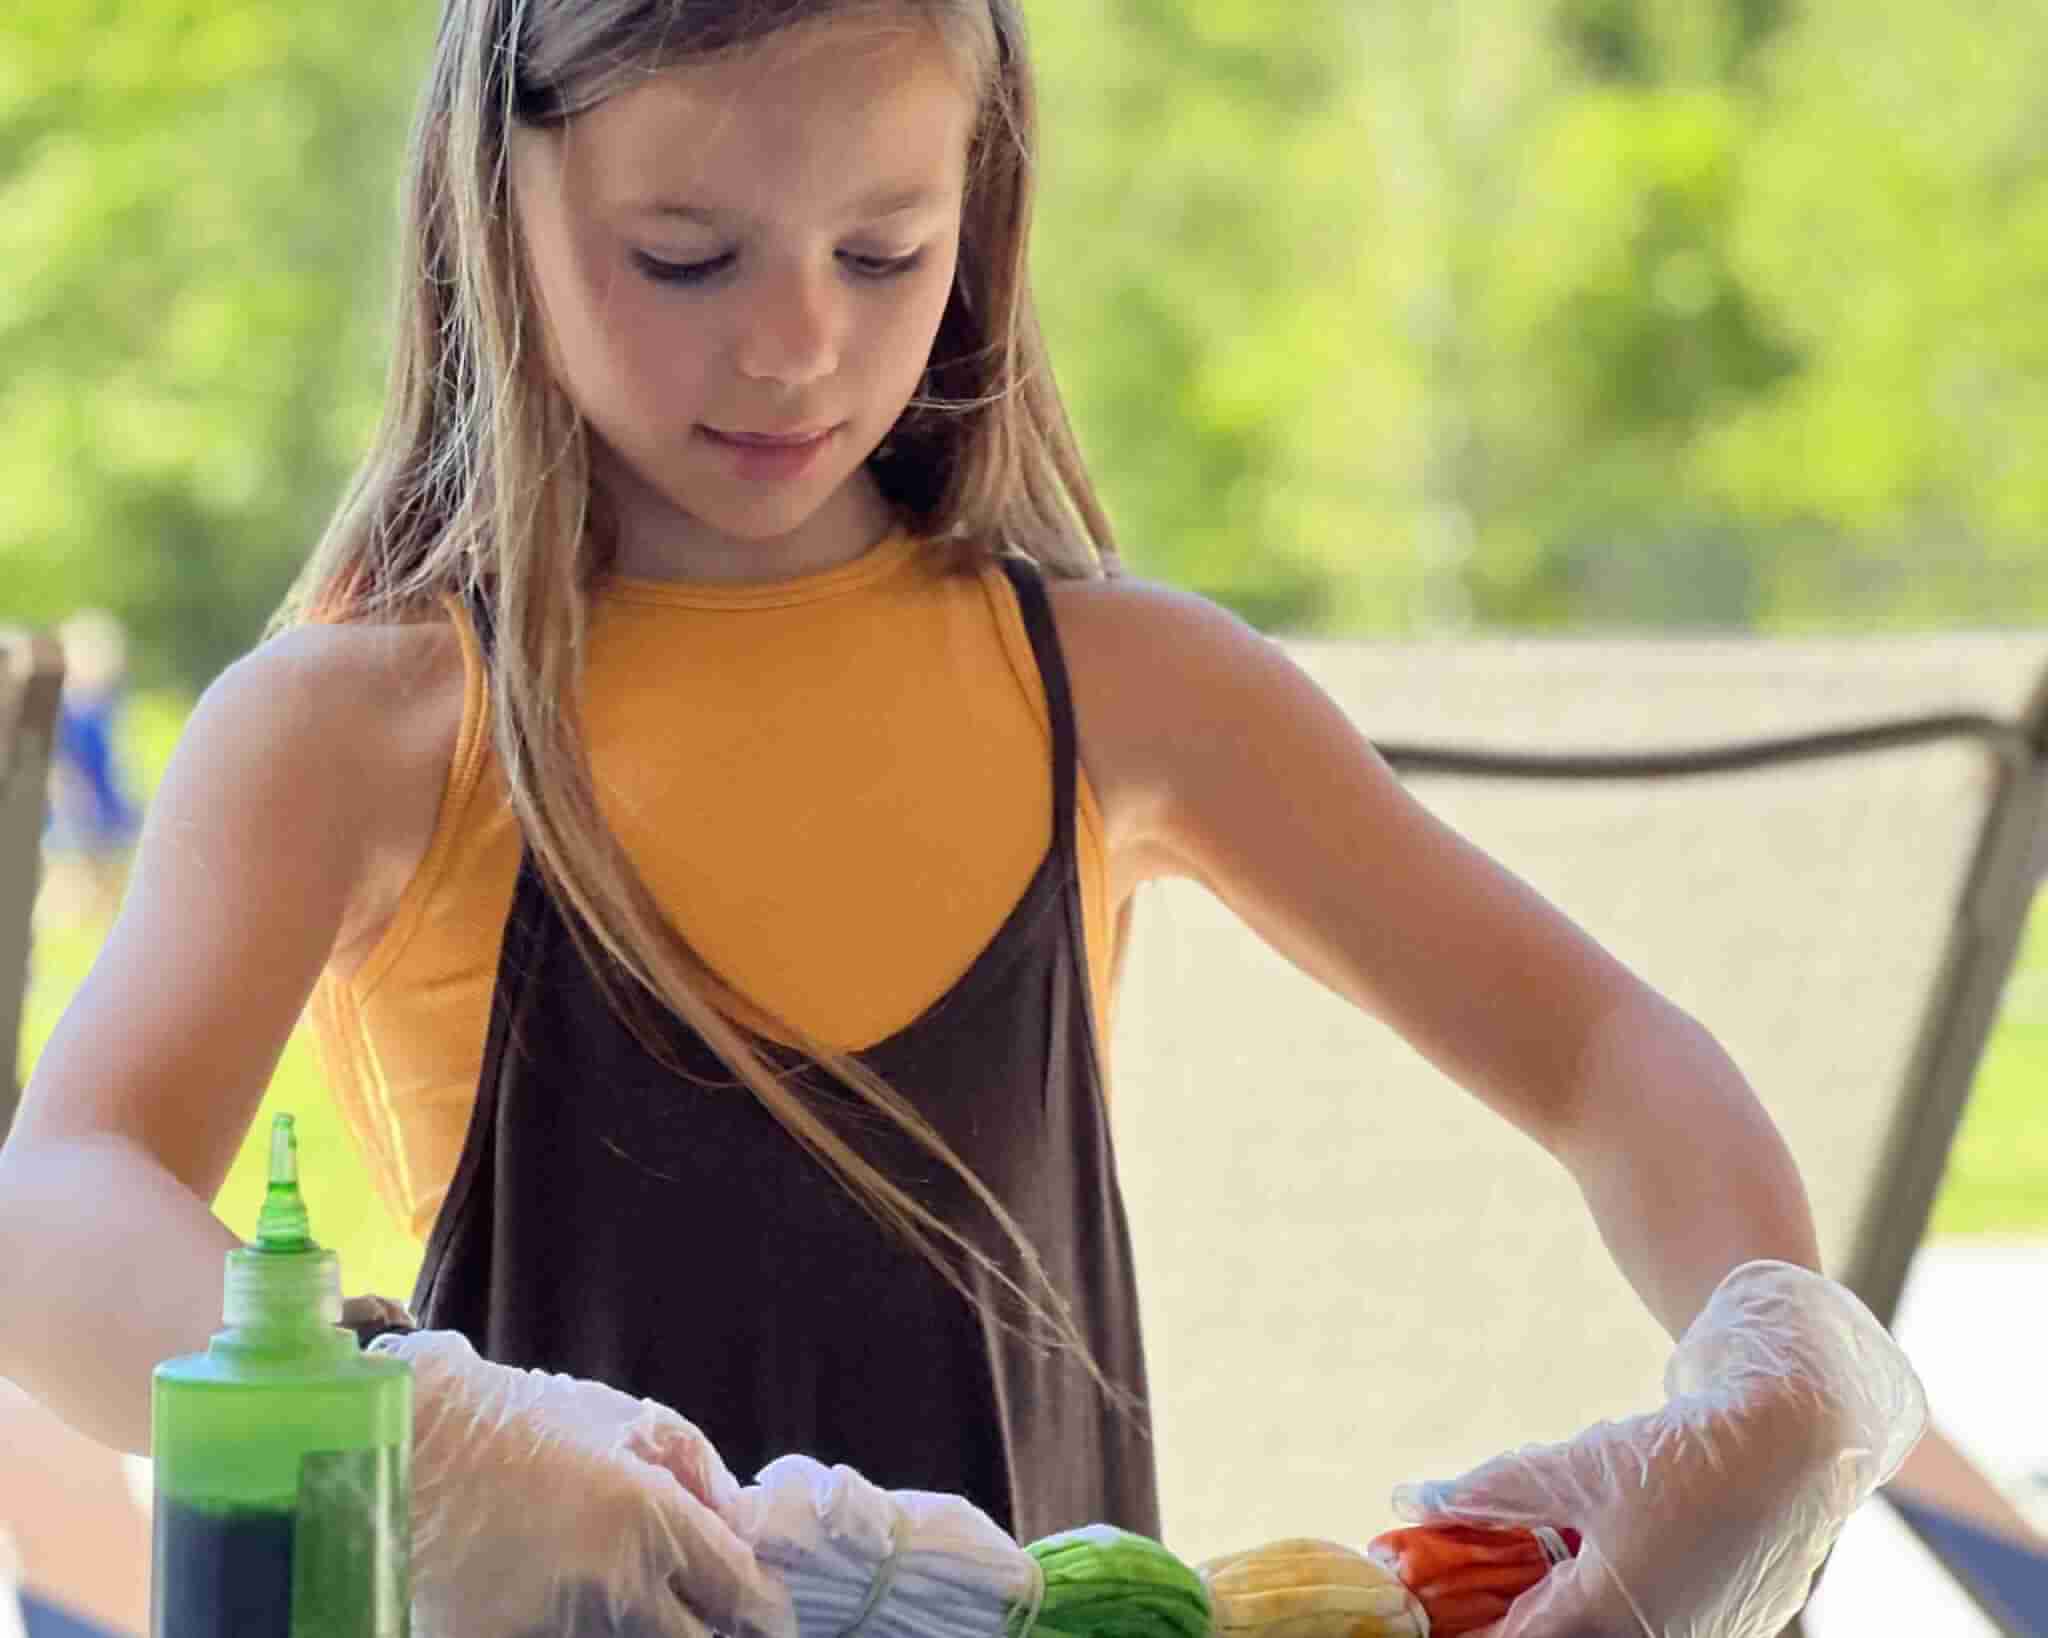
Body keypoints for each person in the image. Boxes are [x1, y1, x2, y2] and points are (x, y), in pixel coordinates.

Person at [0, 3, 1926, 1636]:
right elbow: (59, 1206)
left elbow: (1602, 1053)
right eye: (685, 255)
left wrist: (1781, 1374)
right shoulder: (369, 723)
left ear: (979, 217)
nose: (793, 346)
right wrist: (397, 1425)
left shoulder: (1133, 690)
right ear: (487, 210)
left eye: (882, 250)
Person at [36, 609, 142, 930]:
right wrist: (71, 802)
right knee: (74, 882)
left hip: (107, 798)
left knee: (114, 883)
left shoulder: (104, 706)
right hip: (76, 804)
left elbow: (115, 758)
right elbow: (58, 763)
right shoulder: (61, 710)